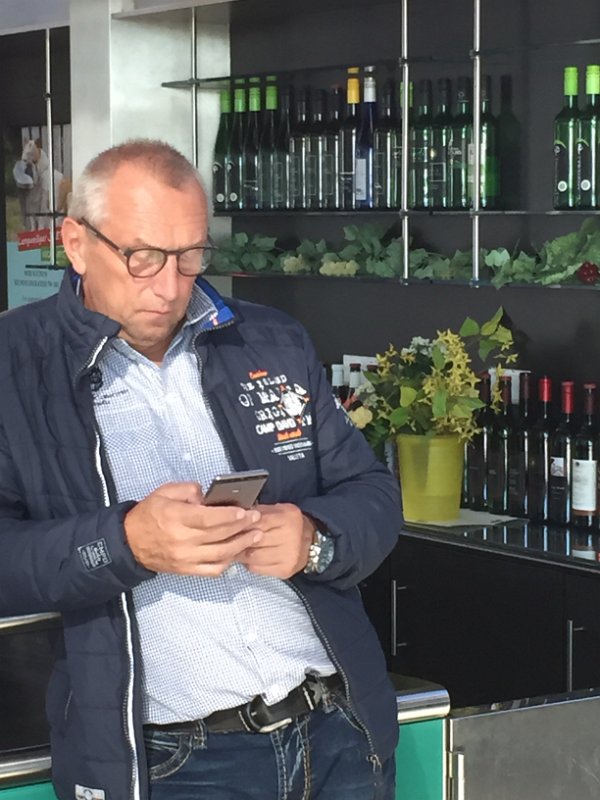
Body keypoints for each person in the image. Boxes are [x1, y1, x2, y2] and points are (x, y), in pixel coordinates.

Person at [0, 139, 403, 800]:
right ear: (76, 243)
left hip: (338, 734)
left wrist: (313, 539)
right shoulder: (14, 365)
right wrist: (125, 543)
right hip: (173, 763)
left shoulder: (270, 339)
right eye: (142, 257)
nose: (169, 287)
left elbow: (373, 494)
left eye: (190, 256)